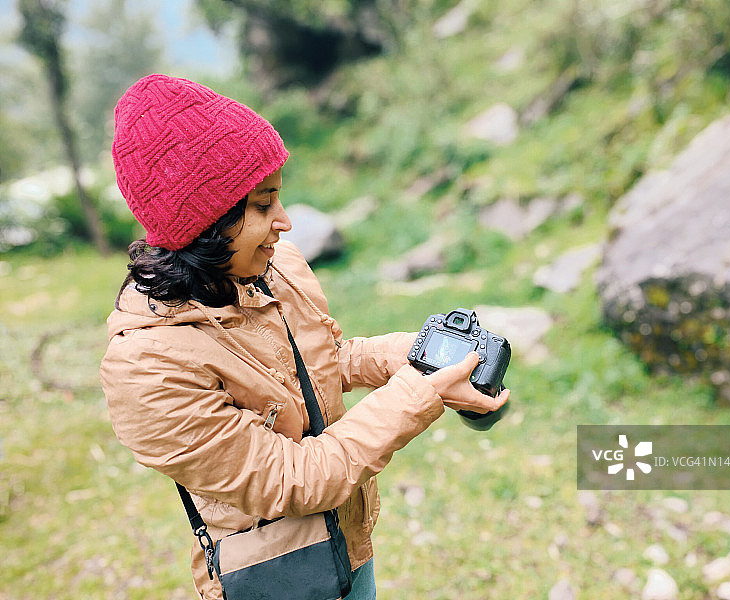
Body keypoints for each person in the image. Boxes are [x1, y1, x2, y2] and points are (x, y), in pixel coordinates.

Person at [100, 73, 510, 600]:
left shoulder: (275, 265)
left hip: (351, 545)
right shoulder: (146, 367)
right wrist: (421, 393)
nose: (286, 222)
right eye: (264, 205)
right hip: (279, 578)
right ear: (204, 224)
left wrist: (413, 355)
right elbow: (296, 478)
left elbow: (319, 363)